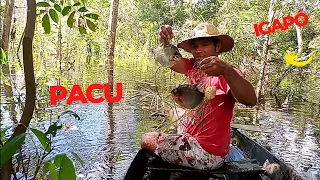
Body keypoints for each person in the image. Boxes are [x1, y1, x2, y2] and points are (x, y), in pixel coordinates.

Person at [140, 23, 257, 170]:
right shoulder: (193, 66)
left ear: (217, 47)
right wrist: (164, 43)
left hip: (208, 153)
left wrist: (227, 71)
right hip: (196, 140)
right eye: (194, 46)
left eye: (205, 44)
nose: (199, 50)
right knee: (175, 111)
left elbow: (251, 100)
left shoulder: (229, 73)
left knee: (147, 139)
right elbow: (168, 59)